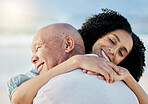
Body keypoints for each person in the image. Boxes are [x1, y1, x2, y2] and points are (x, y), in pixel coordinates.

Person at [7, 9, 147, 103]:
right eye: (111, 41)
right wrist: (75, 61)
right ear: (98, 34)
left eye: (121, 52)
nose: (113, 51)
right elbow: (18, 97)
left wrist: (128, 77)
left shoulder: (111, 77)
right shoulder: (55, 59)